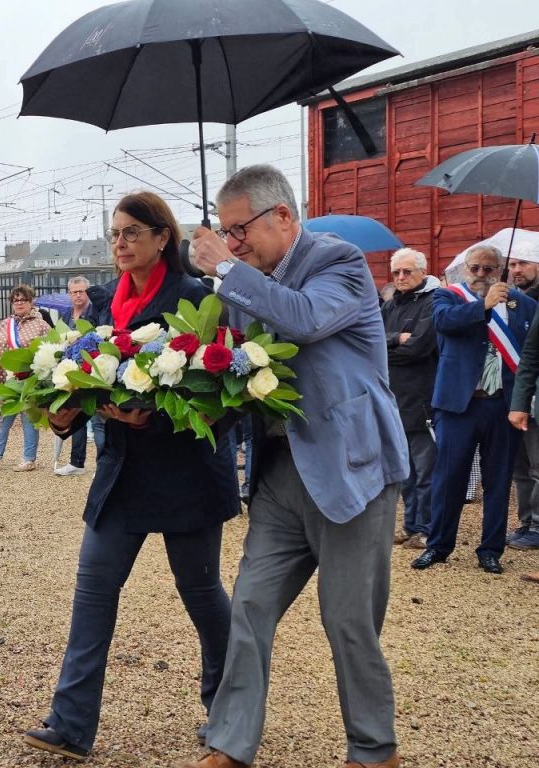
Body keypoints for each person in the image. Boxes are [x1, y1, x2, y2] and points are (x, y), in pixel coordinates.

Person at [187, 165, 409, 768]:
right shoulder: (243, 282)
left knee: (348, 622)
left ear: (282, 216)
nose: (232, 244)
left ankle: (373, 751)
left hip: (351, 471)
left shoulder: (337, 263)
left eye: (240, 231)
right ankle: (229, 745)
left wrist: (226, 270)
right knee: (251, 608)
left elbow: (305, 318)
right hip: (281, 474)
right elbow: (234, 375)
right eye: (225, 234)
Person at [23, 192, 238, 761]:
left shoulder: (196, 299)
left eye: (131, 233)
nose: (119, 243)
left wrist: (158, 414)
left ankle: (229, 711)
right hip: (120, 473)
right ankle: (70, 724)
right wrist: (64, 415)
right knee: (92, 591)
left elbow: (226, 401)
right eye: (115, 233)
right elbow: (82, 388)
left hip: (186, 474)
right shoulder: (100, 311)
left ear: (163, 237)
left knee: (202, 595)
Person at [411, 245, 536, 575]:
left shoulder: (526, 306)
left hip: (503, 405)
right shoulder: (449, 297)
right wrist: (483, 306)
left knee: (498, 481)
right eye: (475, 268)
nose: (481, 274)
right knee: (449, 477)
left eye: (489, 269)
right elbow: (444, 324)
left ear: (501, 270)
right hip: (458, 404)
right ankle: (438, 545)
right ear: (466, 268)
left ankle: (491, 549)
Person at [381, 248, 440, 550]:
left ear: (422, 272)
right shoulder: (391, 304)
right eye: (396, 273)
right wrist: (395, 339)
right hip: (394, 399)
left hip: (421, 399)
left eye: (407, 272)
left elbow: (418, 347)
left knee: (426, 470)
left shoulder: (433, 302)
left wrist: (392, 346)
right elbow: (371, 340)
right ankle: (410, 524)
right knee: (405, 472)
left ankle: (428, 529)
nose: (401, 277)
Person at [0, 285, 50, 472]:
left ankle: (28, 458)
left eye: (22, 300)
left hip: (29, 380)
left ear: (31, 302)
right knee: (2, 418)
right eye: (15, 300)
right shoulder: (5, 324)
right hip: (7, 380)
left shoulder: (41, 324)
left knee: (29, 421)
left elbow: (50, 352)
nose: (18, 303)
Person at [506, 255, 539, 548]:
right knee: (525, 466)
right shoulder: (512, 301)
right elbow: (529, 356)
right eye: (513, 265)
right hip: (526, 396)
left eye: (524, 264)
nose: (516, 270)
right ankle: (528, 522)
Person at [54, 276, 97, 476]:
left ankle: (104, 464)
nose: (78, 295)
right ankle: (76, 462)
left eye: (81, 291)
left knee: (100, 419)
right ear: (69, 294)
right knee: (75, 415)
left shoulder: (96, 312)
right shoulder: (65, 315)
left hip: (94, 368)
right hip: (71, 369)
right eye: (74, 292)